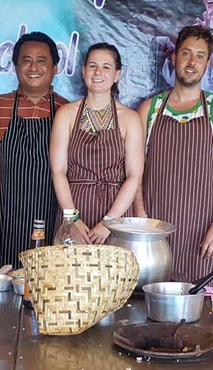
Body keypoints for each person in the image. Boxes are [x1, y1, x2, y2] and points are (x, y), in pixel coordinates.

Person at [136, 25, 213, 283]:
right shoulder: (149, 109)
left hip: (201, 234)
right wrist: (141, 217)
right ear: (174, 57)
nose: (192, 62)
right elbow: (134, 171)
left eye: (200, 56)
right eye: (186, 54)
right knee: (146, 309)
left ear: (208, 63)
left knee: (199, 315)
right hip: (154, 231)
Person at [50, 43, 144, 243]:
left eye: (106, 67)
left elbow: (134, 176)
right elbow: (58, 170)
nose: (98, 72)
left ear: (117, 75)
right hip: (74, 207)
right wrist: (72, 218)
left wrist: (110, 222)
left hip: (115, 213)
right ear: (83, 71)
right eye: (92, 66)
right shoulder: (66, 114)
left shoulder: (130, 118)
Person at [0, 32, 69, 267]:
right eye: (26, 60)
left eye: (41, 60)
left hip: (51, 215)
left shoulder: (67, 110)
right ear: (15, 67)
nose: (33, 67)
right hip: (6, 220)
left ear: (55, 67)